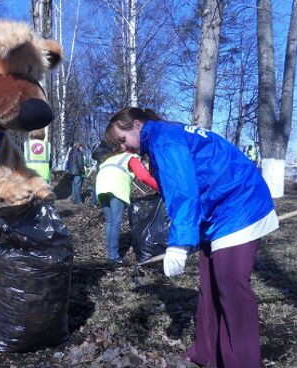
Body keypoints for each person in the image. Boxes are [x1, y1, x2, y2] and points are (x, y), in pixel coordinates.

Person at [105, 107, 279, 368]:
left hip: (239, 205)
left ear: (138, 125)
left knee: (231, 287)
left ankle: (242, 362)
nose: (123, 147)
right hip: (217, 211)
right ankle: (205, 353)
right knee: (209, 285)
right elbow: (190, 185)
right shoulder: (162, 138)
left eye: (122, 139)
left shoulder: (165, 140)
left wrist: (178, 244)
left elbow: (183, 191)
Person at [95, 147, 158, 264]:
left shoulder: (112, 157)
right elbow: (143, 176)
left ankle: (111, 255)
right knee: (115, 222)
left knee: (109, 222)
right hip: (115, 186)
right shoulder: (132, 158)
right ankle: (114, 257)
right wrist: (160, 188)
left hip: (101, 186)